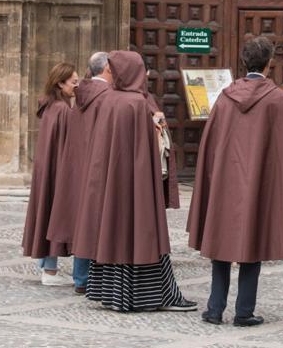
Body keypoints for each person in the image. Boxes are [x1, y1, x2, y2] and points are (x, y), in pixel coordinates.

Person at [187, 36, 283, 327]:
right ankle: (243, 312)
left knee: (222, 241)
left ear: (244, 61)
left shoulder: (225, 96)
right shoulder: (277, 99)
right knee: (253, 242)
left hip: (226, 181)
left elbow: (211, 143)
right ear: (269, 63)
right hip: (259, 184)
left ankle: (214, 309)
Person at [72, 50, 196, 312]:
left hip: (112, 184)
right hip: (136, 185)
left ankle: (113, 295)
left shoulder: (109, 100)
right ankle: (151, 296)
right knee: (143, 235)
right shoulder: (136, 103)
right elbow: (143, 152)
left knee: (114, 234)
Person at [46, 52, 112, 293]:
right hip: (97, 167)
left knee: (83, 221)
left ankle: (81, 278)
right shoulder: (106, 97)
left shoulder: (79, 99)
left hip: (79, 168)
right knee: (93, 221)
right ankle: (87, 278)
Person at [22, 62, 89, 288]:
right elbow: (69, 145)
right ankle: (49, 271)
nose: (77, 86)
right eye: (73, 82)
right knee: (54, 213)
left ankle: (48, 268)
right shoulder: (61, 110)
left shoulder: (53, 106)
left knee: (48, 213)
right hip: (57, 170)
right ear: (60, 83)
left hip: (49, 169)